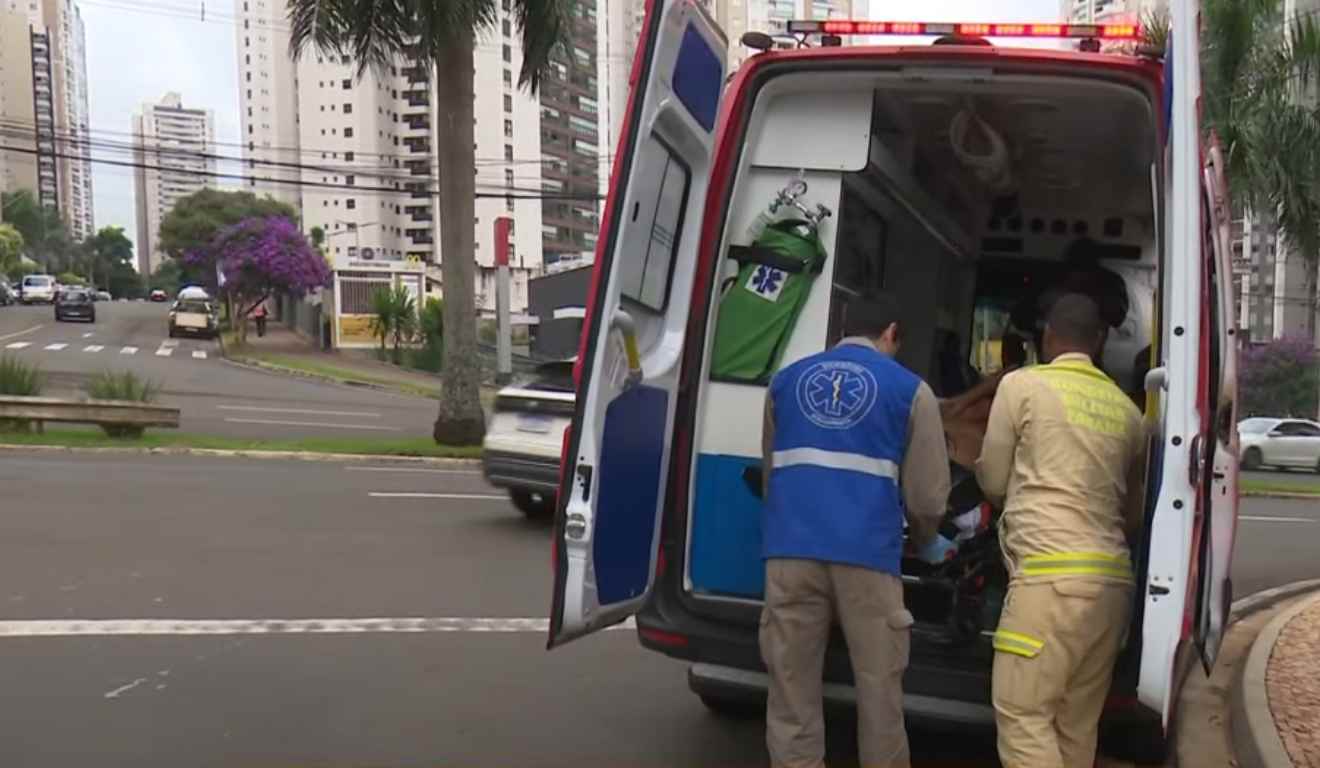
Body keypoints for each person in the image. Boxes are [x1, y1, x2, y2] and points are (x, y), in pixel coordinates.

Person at [759, 292, 954, 768]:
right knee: (879, 694)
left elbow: (771, 475)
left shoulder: (785, 383)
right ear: (890, 333)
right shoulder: (910, 390)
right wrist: (927, 541)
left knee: (791, 690)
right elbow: (927, 498)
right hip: (868, 557)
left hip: (791, 552)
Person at [974, 294, 1148, 768]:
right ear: (1100, 340)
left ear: (1047, 335)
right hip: (1112, 587)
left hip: (1047, 582)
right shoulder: (1129, 413)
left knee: (1024, 717)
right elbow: (1132, 515)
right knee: (1075, 726)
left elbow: (991, 480)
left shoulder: (1022, 386)